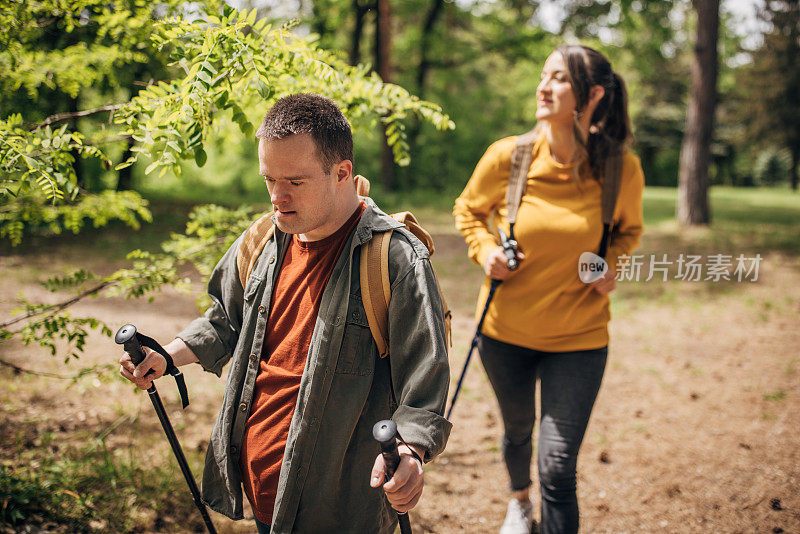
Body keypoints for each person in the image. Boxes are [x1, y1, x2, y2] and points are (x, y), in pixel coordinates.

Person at [119, 93, 451, 533]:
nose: (278, 196)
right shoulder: (263, 239)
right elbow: (225, 321)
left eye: (295, 181)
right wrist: (167, 355)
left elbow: (425, 375)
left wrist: (410, 452)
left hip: (339, 507)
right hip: (264, 492)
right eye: (269, 179)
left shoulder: (393, 259)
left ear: (342, 173)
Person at [453, 45, 644, 534]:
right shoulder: (509, 157)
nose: (543, 87)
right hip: (505, 334)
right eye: (543, 76)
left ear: (594, 94)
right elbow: (469, 211)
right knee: (518, 432)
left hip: (579, 339)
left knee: (558, 467)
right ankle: (519, 504)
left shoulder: (621, 169)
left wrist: (612, 266)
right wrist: (485, 253)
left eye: (559, 79)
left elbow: (627, 231)